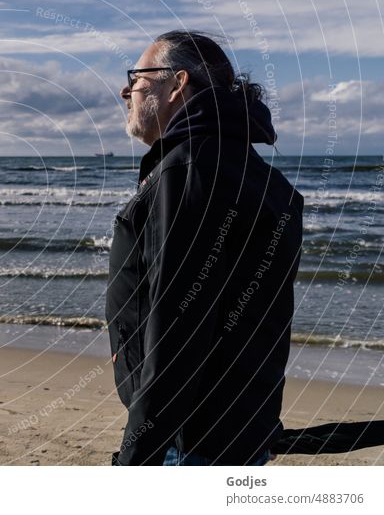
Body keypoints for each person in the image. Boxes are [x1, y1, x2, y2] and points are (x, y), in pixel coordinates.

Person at [107, 30, 304, 466]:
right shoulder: (272, 185)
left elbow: (178, 328)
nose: (126, 90)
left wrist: (138, 456)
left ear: (177, 84)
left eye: (137, 78)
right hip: (241, 436)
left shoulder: (186, 174)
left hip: (186, 444)